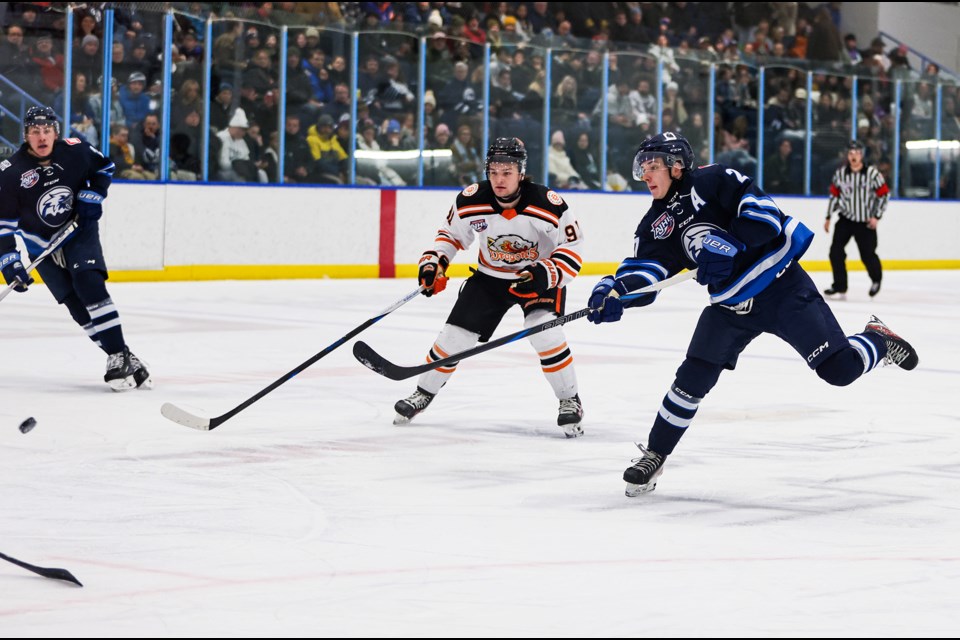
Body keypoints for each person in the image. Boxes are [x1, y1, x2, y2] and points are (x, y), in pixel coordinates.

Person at [585, 132, 918, 496]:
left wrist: (733, 241)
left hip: (782, 287)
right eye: (642, 169)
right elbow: (646, 270)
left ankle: (876, 340)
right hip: (730, 306)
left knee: (840, 371)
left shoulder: (713, 180)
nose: (646, 176)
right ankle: (656, 454)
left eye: (652, 167)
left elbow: (765, 213)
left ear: (676, 166)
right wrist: (614, 291)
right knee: (690, 380)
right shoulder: (654, 223)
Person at [393, 137, 587, 437]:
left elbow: (573, 245)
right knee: (454, 337)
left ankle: (569, 400)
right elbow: (450, 235)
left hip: (536, 277)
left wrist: (545, 273)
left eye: (507, 172)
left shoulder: (547, 203)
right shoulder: (471, 199)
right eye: (494, 171)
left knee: (545, 332)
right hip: (490, 277)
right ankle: (423, 393)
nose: (499, 179)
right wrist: (435, 263)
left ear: (521, 172)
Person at [0, 106, 151, 390]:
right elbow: (3, 225)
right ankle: (122, 355)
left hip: (77, 231)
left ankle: (118, 355)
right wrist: (10, 261)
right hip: (40, 247)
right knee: (76, 306)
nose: (41, 137)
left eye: (46, 131)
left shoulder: (76, 150)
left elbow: (105, 167)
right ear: (26, 136)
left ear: (56, 133)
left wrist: (93, 195)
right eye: (35, 132)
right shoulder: (10, 173)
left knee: (88, 282)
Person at [823, 139, 890, 299]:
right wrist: (828, 217)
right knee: (835, 252)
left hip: (866, 221)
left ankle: (876, 279)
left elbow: (884, 195)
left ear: (862, 155)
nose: (854, 156)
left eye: (857, 153)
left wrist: (876, 216)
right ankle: (840, 286)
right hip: (846, 219)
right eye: (851, 153)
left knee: (867, 254)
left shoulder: (872, 174)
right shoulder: (840, 174)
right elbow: (834, 196)